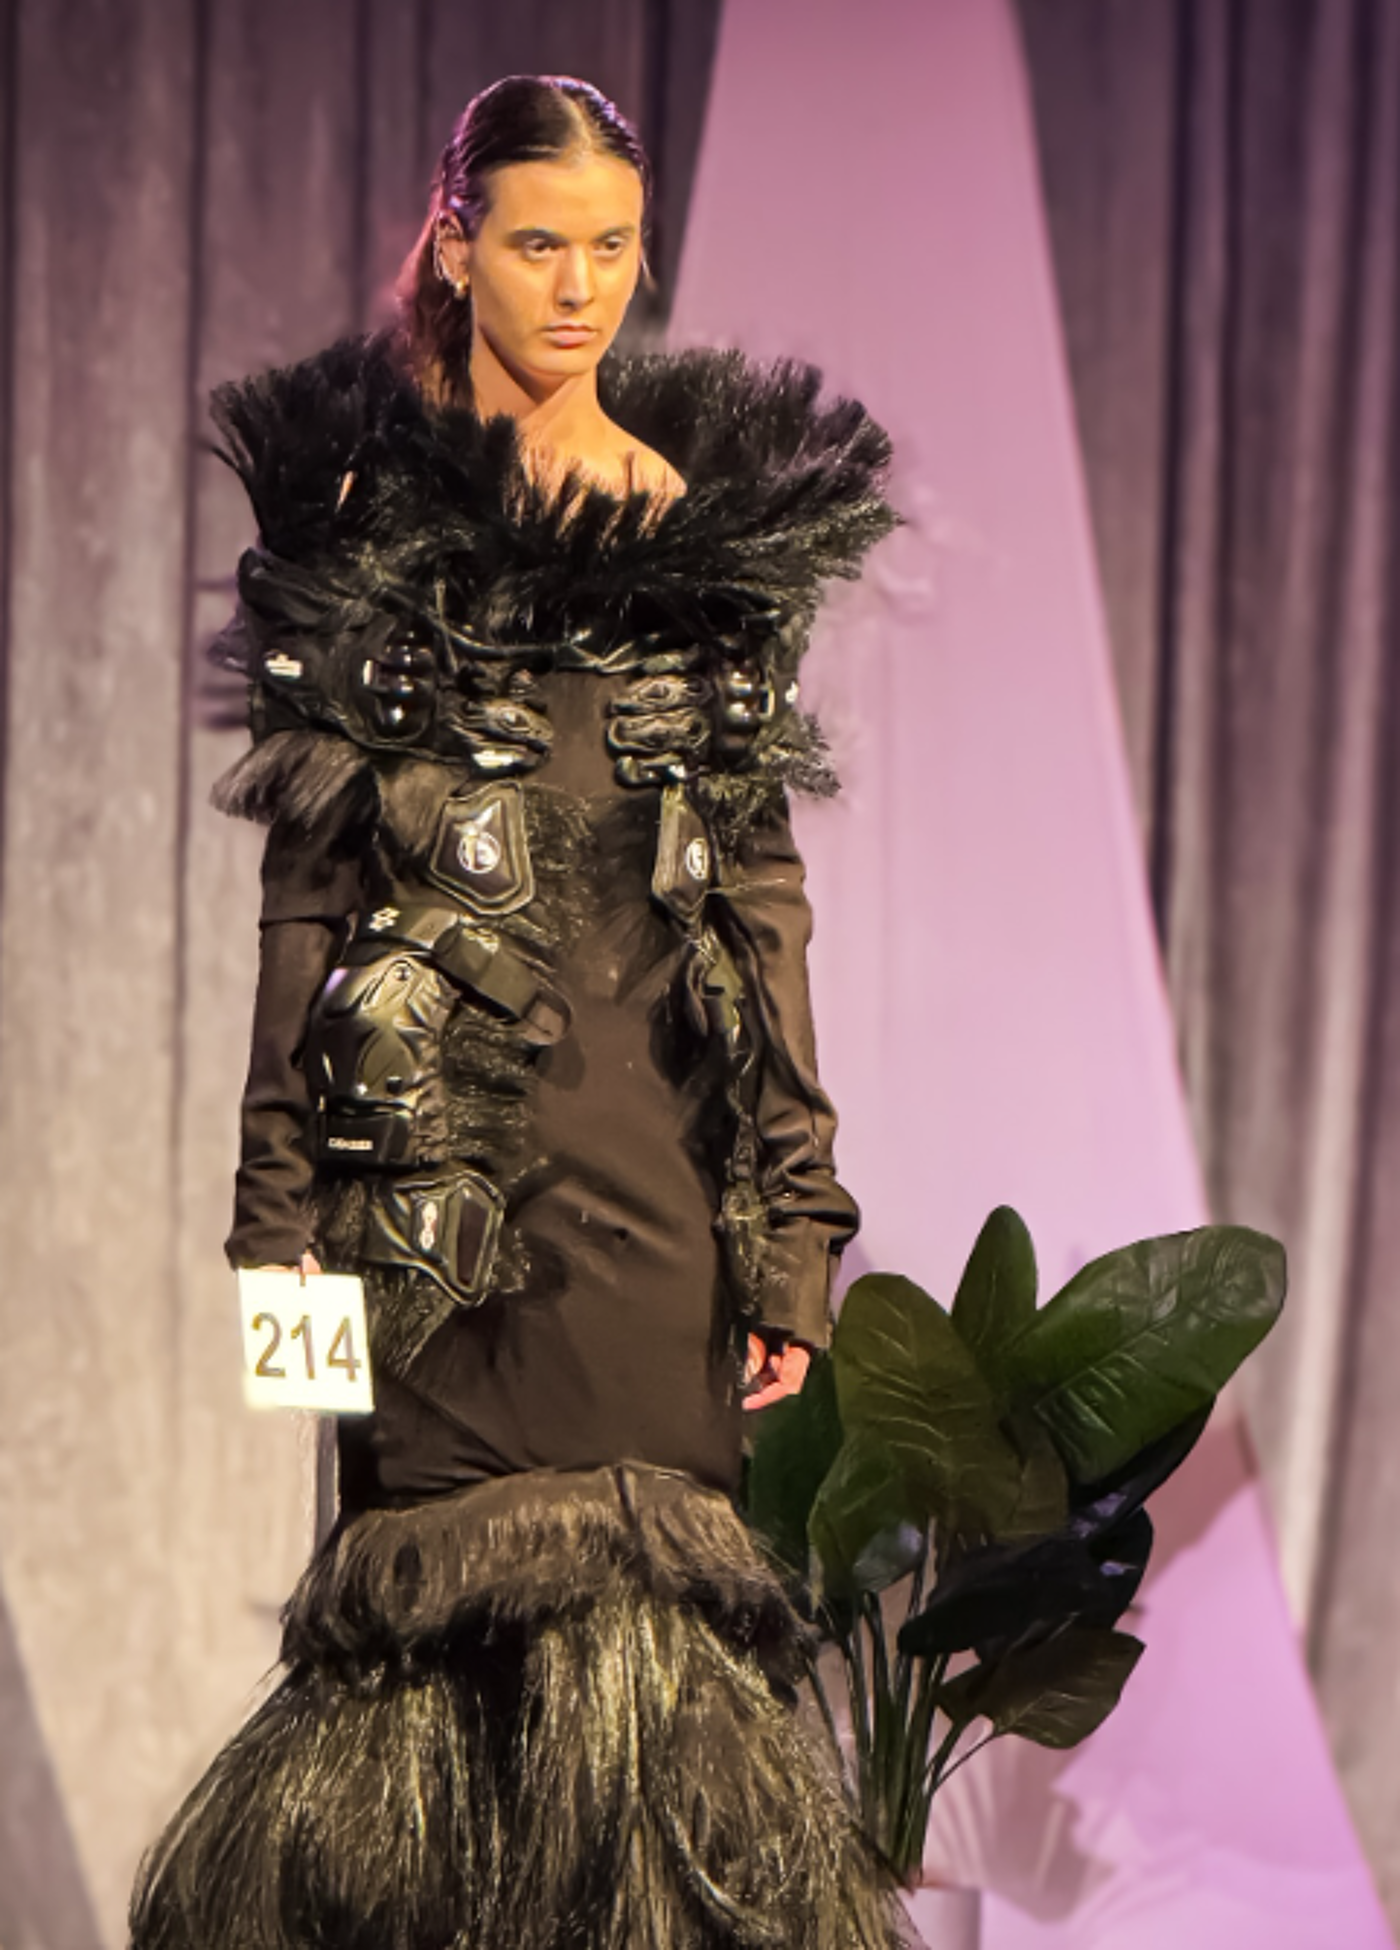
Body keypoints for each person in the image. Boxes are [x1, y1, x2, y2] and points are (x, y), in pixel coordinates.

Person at [130, 74, 903, 1950]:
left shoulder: (708, 546)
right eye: (539, 243)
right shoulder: (362, 534)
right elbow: (302, 916)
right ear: (456, 240)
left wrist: (790, 1237)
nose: (578, 289)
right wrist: (280, 1263)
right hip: (423, 1228)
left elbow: (761, 902)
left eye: (613, 250)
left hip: (656, 1199)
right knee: (419, 1723)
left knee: (658, 1736)